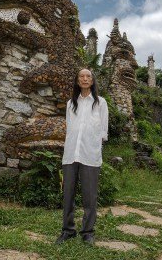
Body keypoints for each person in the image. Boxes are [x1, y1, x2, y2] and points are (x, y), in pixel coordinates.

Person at [55, 68, 108, 245]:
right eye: (81, 76)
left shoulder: (101, 103)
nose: (85, 79)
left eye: (88, 76)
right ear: (77, 81)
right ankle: (68, 230)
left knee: (89, 195)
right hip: (71, 154)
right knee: (68, 194)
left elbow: (103, 132)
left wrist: (95, 149)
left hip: (90, 155)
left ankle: (88, 232)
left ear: (92, 81)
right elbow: (70, 129)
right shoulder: (71, 103)